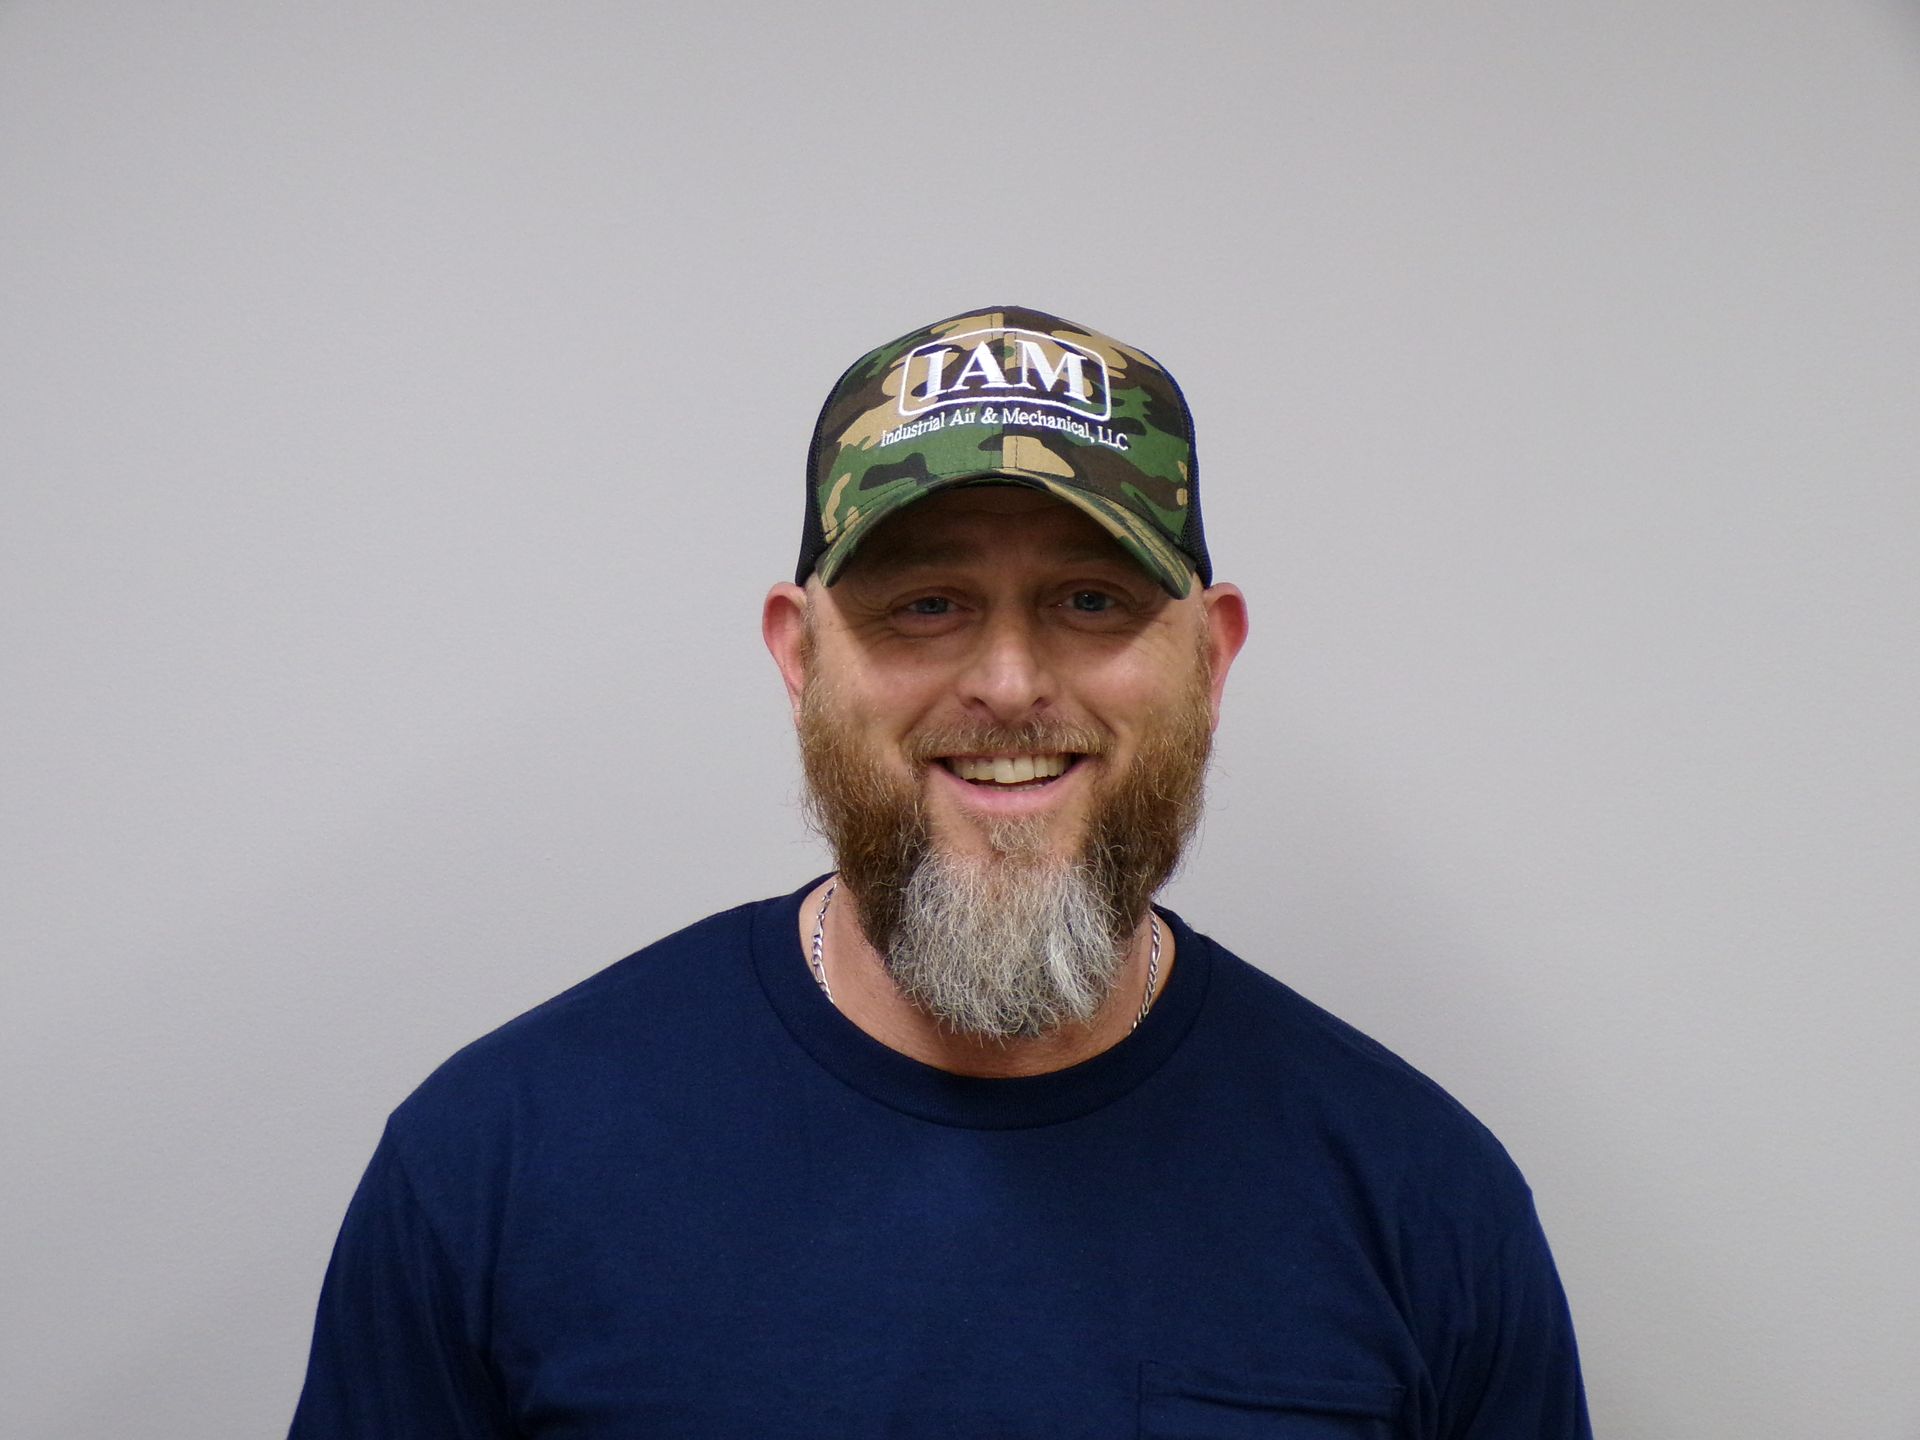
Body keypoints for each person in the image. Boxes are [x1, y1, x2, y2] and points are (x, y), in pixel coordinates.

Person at [290, 306, 1592, 1437]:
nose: (1011, 682)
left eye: (1091, 598)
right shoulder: (498, 1169)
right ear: (800, 658)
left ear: (1212, 655)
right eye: (926, 603)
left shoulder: (1421, 1203)